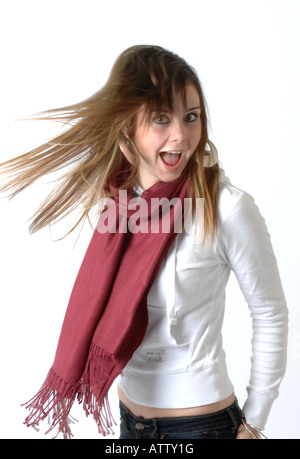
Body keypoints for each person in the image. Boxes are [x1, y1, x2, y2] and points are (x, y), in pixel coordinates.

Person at [0, 45, 288, 440]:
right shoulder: (119, 204)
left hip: (202, 426)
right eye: (160, 119)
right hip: (130, 421)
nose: (181, 136)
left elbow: (270, 313)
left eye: (191, 117)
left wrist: (255, 421)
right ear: (127, 129)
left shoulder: (226, 208)